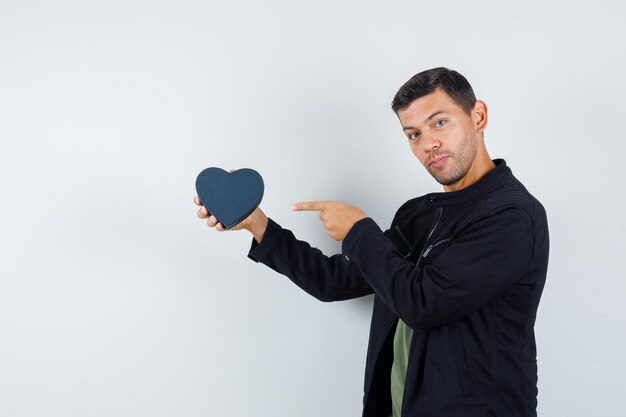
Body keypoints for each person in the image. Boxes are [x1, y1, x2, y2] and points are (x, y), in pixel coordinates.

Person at [194, 67, 549, 417]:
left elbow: (424, 303)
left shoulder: (513, 216)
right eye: (413, 134)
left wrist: (358, 230)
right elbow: (336, 280)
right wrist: (256, 223)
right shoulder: (419, 215)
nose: (429, 144)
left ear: (478, 116)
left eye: (440, 122)